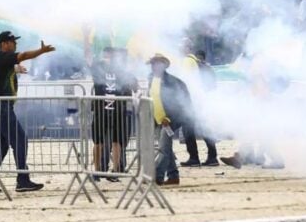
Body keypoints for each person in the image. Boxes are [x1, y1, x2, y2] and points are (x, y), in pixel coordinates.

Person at [0, 31, 55, 194]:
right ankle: (22, 180)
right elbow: (24, 55)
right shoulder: (2, 57)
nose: (15, 44)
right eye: (12, 41)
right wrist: (41, 51)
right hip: (0, 107)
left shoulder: (3, 61)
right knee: (20, 140)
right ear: (4, 44)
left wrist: (16, 69)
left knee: (3, 145)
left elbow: (8, 69)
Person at [88, 47, 139, 180]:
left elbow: (135, 86)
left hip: (119, 112)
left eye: (111, 56)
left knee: (118, 142)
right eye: (107, 56)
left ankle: (116, 171)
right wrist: (86, 36)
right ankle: (97, 171)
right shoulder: (98, 68)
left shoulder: (121, 71)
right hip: (101, 110)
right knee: (98, 142)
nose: (109, 58)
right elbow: (87, 59)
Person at [147, 53, 193, 185]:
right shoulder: (151, 79)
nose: (154, 66)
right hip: (157, 119)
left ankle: (157, 176)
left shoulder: (173, 82)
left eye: (157, 63)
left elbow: (179, 103)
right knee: (166, 148)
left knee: (163, 149)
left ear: (163, 65)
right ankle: (173, 176)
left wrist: (170, 118)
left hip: (170, 120)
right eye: (153, 63)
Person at [179, 41, 219, 167]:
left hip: (192, 100)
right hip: (200, 99)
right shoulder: (198, 62)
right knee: (204, 128)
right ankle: (212, 157)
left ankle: (194, 157)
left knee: (188, 130)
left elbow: (186, 82)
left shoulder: (187, 61)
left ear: (187, 48)